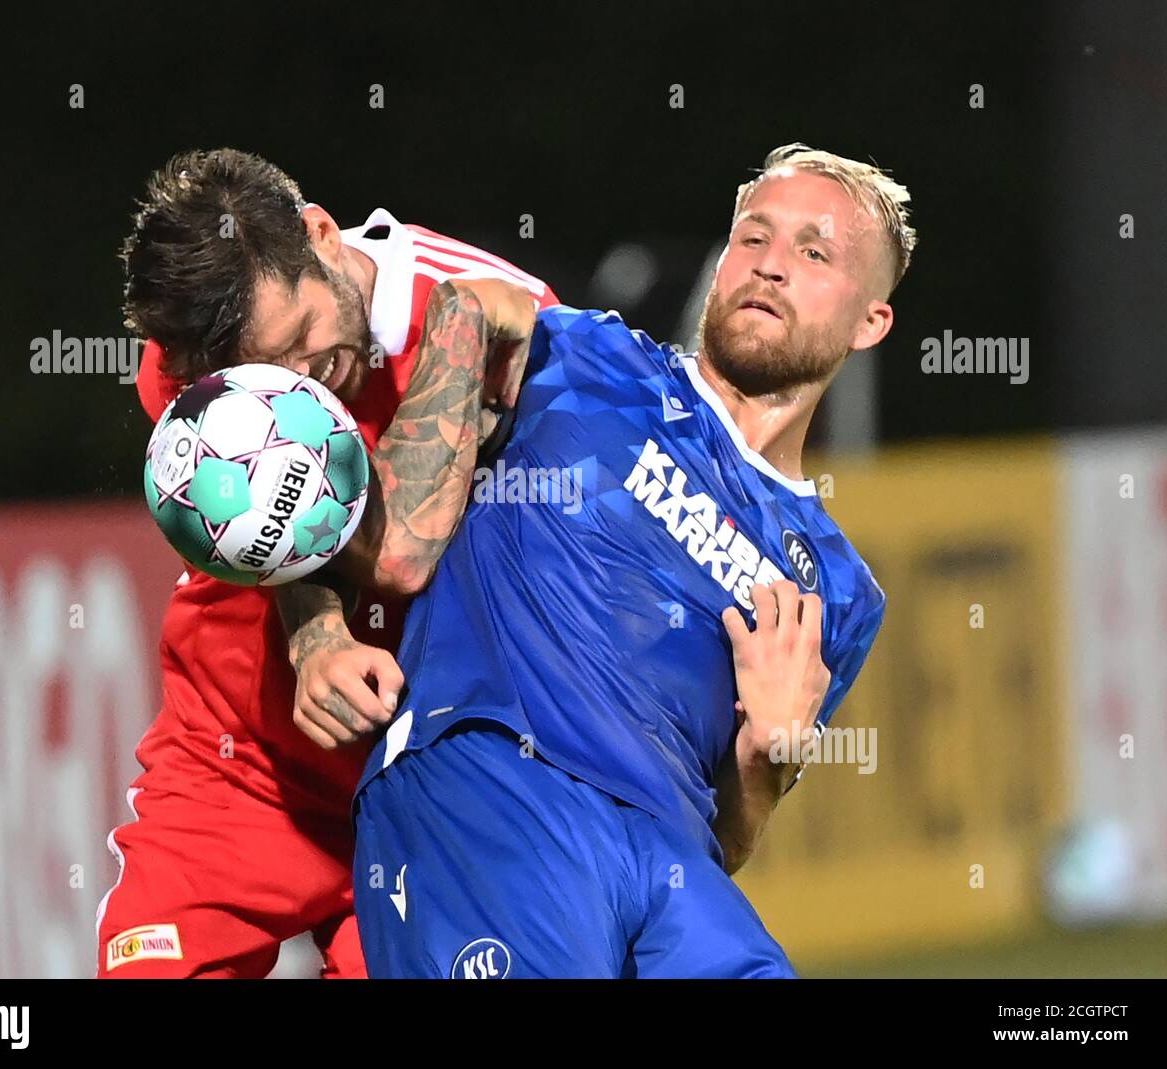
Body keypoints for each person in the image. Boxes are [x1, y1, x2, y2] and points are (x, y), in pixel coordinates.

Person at [345, 144, 914, 977]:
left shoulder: (836, 591)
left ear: (872, 320)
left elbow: (731, 838)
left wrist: (771, 756)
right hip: (498, 790)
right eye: (752, 238)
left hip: (670, 865)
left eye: (813, 252)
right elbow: (363, 327)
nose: (770, 267)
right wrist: (323, 615)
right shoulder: (580, 361)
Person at [96, 148, 556, 977]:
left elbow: (400, 554)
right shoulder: (187, 368)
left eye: (302, 339)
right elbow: (269, 527)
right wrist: (314, 635)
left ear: (318, 234)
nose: (305, 382)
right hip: (240, 760)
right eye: (266, 378)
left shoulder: (498, 311)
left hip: (435, 788)